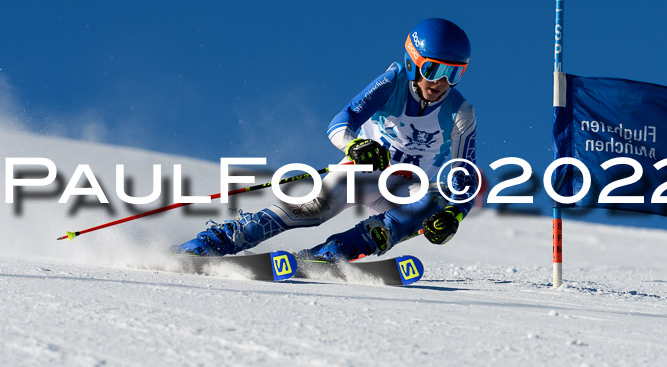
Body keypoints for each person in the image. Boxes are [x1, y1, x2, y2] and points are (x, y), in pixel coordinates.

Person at [172, 17, 477, 261]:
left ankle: (333, 253)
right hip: (364, 173)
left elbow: (466, 179)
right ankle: (217, 241)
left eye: (453, 73)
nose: (440, 82)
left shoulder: (460, 112)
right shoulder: (393, 82)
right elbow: (342, 120)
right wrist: (354, 145)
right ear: (413, 62)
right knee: (313, 208)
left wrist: (454, 215)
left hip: (407, 189)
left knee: (428, 206)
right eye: (434, 69)